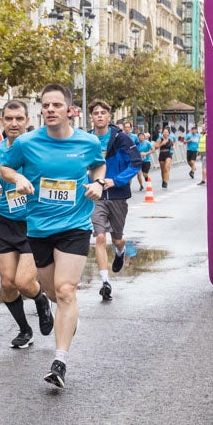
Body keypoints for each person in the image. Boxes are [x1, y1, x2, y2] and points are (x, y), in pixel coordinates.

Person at [0, 85, 106, 389]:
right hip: (39, 228)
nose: (50, 110)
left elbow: (98, 164)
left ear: (69, 110)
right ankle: (67, 316)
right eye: (46, 105)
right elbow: (5, 168)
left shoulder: (87, 142)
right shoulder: (27, 142)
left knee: (66, 289)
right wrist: (18, 177)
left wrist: (98, 183)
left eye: (56, 105)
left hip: (74, 225)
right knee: (51, 292)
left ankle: (59, 362)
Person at [0, 100, 53, 349]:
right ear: (1, 121)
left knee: (24, 282)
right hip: (6, 222)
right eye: (9, 119)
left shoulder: (39, 149)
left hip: (34, 224)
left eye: (19, 118)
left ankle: (41, 300)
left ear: (27, 121)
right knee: (8, 285)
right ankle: (24, 329)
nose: (14, 123)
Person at [88, 102, 142, 302]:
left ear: (109, 117)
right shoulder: (87, 139)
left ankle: (120, 250)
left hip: (117, 195)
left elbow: (136, 163)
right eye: (96, 113)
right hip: (96, 196)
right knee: (100, 237)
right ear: (91, 118)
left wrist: (116, 180)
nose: (99, 116)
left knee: (117, 238)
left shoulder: (121, 138)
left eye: (103, 113)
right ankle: (105, 282)